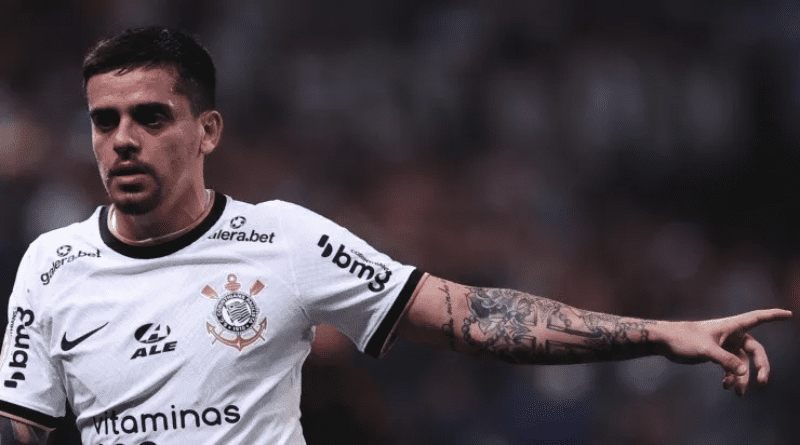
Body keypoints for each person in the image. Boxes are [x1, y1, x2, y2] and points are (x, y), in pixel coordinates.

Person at [0, 26, 792, 445]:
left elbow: (472, 315)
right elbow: (22, 427)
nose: (122, 140)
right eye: (104, 120)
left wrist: (657, 333)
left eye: (150, 116)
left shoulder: (284, 241)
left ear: (207, 130)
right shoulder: (51, 263)